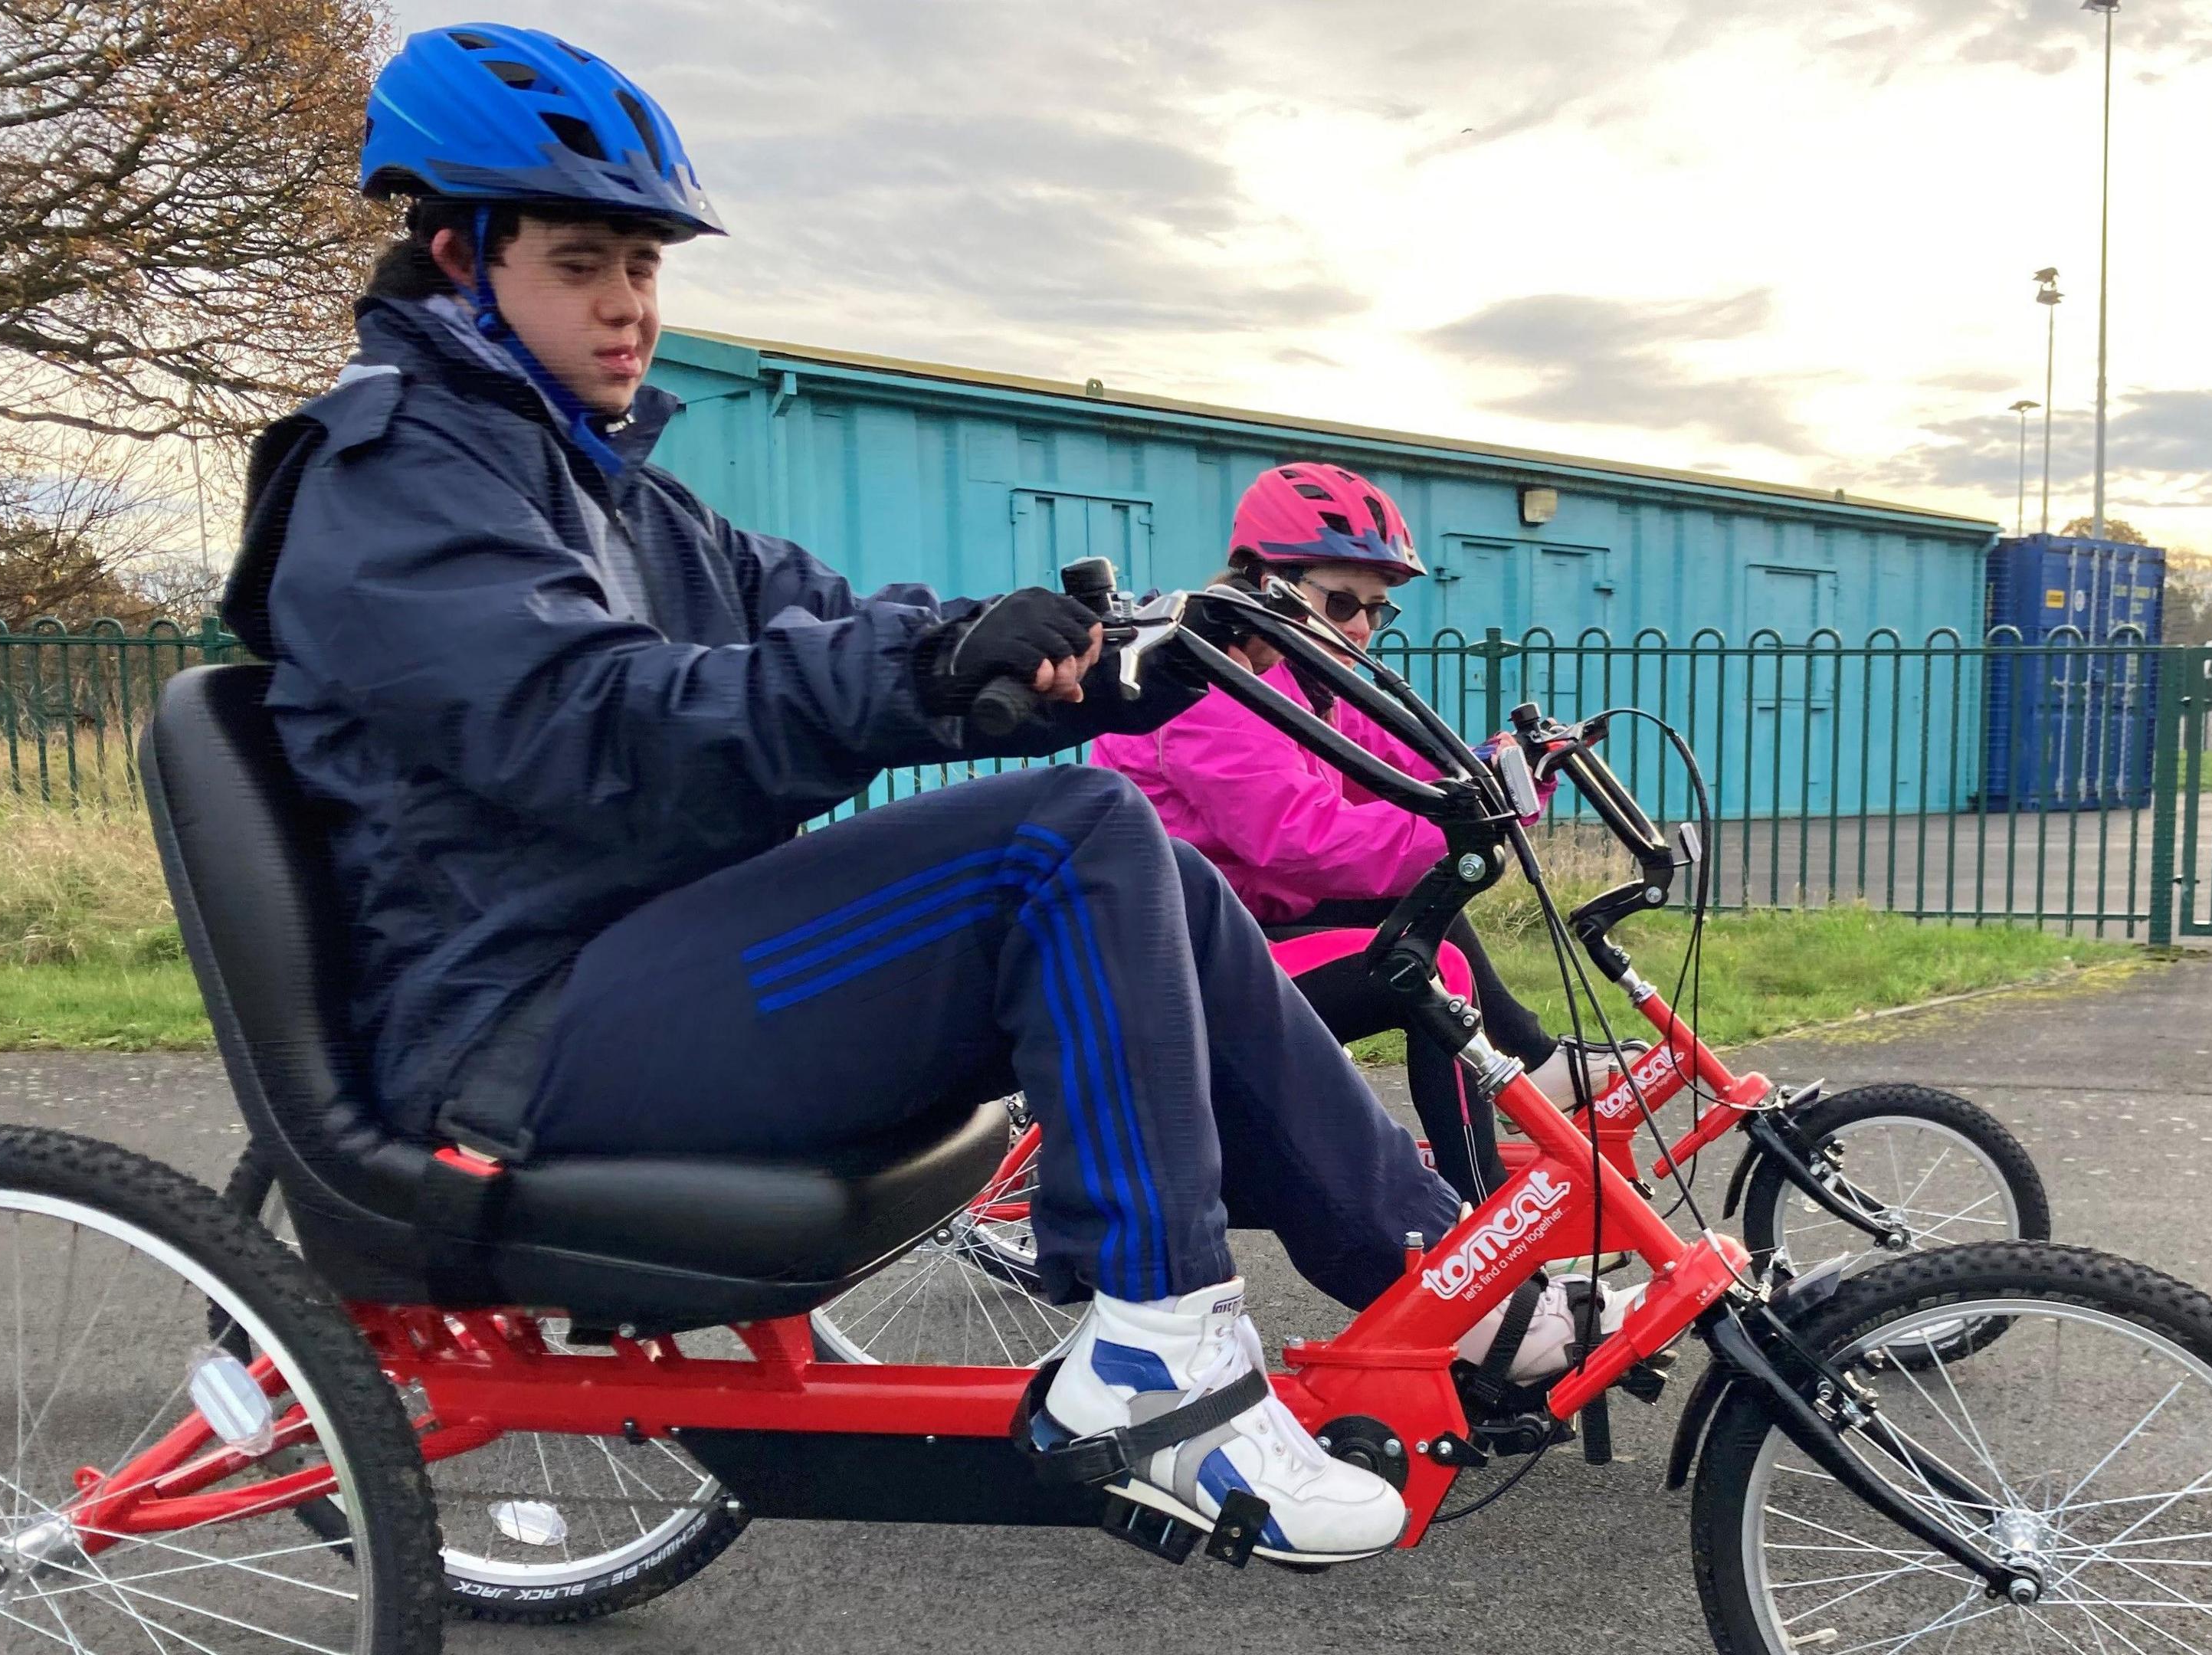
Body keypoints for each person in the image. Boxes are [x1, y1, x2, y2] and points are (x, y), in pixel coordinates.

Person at [235, 23, 1605, 1566]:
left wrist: (1079, 657)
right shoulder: (393, 480)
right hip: (513, 1038)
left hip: (631, 969)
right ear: (456, 257)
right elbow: (591, 726)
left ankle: (1446, 1287)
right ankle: (1155, 1350)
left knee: (1148, 859)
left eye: (647, 263)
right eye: (580, 262)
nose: (630, 305)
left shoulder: (610, 486)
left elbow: (821, 616)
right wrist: (931, 675)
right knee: (1065, 845)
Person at [1091, 464, 1644, 1207]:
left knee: (1421, 911)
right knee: (1429, 973)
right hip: (1181, 958)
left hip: (1250, 919)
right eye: (1341, 601)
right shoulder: (1204, 690)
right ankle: (1482, 1245)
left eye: (1375, 611)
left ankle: (1532, 1063)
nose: (1359, 627)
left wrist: (1503, 768)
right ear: (1263, 583)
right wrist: (1464, 825)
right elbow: (1304, 841)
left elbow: (1401, 762)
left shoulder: (1294, 675)